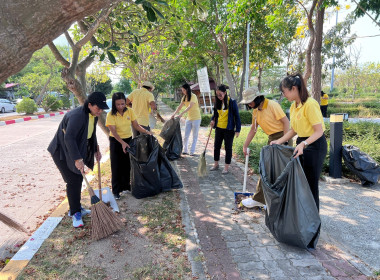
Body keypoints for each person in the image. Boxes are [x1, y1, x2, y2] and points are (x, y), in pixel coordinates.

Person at [48, 92, 108, 228]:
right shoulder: (77, 116)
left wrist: (96, 150)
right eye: (98, 108)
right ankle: (74, 213)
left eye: (102, 109)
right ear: (90, 105)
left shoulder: (93, 115)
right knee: (73, 180)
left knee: (78, 179)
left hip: (72, 149)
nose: (100, 111)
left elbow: (91, 135)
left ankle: (77, 207)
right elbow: (68, 138)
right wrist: (77, 159)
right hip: (61, 151)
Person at [271, 73, 327, 210]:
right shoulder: (293, 106)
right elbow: (293, 130)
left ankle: (313, 224)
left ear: (294, 89)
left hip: (315, 145)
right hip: (302, 145)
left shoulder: (310, 104)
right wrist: (278, 141)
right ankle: (303, 217)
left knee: (310, 185)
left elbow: (319, 131)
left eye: (285, 92)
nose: (284, 95)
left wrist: (303, 144)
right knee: (301, 183)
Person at [240, 87, 290, 206]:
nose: (249, 104)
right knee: (267, 170)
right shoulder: (256, 111)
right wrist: (245, 145)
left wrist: (285, 141)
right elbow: (253, 129)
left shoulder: (272, 105)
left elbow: (286, 122)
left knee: (278, 171)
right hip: (272, 139)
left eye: (250, 101)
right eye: (247, 102)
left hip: (282, 137)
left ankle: (265, 200)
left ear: (257, 98)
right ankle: (262, 199)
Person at [106, 92, 153, 200]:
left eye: (122, 104)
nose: (121, 106)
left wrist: (147, 132)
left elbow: (136, 125)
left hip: (128, 139)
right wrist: (122, 143)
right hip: (115, 141)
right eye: (118, 104)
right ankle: (116, 190)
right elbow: (113, 131)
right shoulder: (110, 115)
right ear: (114, 104)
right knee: (116, 165)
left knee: (127, 164)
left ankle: (126, 186)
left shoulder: (130, 111)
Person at [210, 84, 241, 174]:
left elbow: (237, 116)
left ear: (225, 93)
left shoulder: (232, 102)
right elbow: (215, 115)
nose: (219, 96)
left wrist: (238, 130)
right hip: (219, 128)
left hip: (229, 129)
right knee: (216, 147)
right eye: (217, 95)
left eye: (220, 94)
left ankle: (226, 167)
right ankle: (216, 164)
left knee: (228, 148)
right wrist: (212, 120)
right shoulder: (217, 102)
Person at [171, 83, 201, 156]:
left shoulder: (193, 96)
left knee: (194, 135)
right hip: (189, 118)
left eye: (184, 90)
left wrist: (182, 114)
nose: (183, 91)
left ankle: (192, 151)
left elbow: (190, 106)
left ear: (187, 89)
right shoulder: (184, 97)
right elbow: (179, 107)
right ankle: (185, 150)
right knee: (186, 135)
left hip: (196, 118)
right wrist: (174, 114)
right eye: (182, 90)